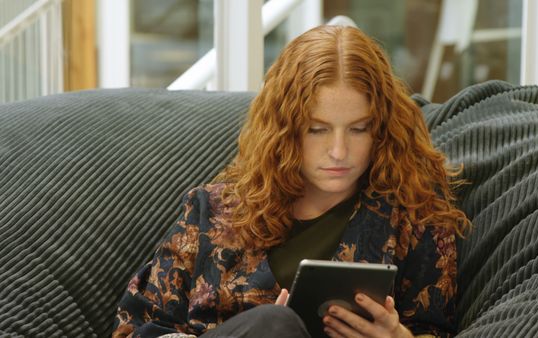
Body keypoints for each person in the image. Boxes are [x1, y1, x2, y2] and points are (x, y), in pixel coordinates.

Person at [112, 24, 470, 338]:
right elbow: (138, 325)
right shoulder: (214, 211)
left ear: (382, 130)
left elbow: (435, 329)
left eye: (359, 129)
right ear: (284, 130)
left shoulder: (415, 216)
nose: (339, 151)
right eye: (317, 130)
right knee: (274, 326)